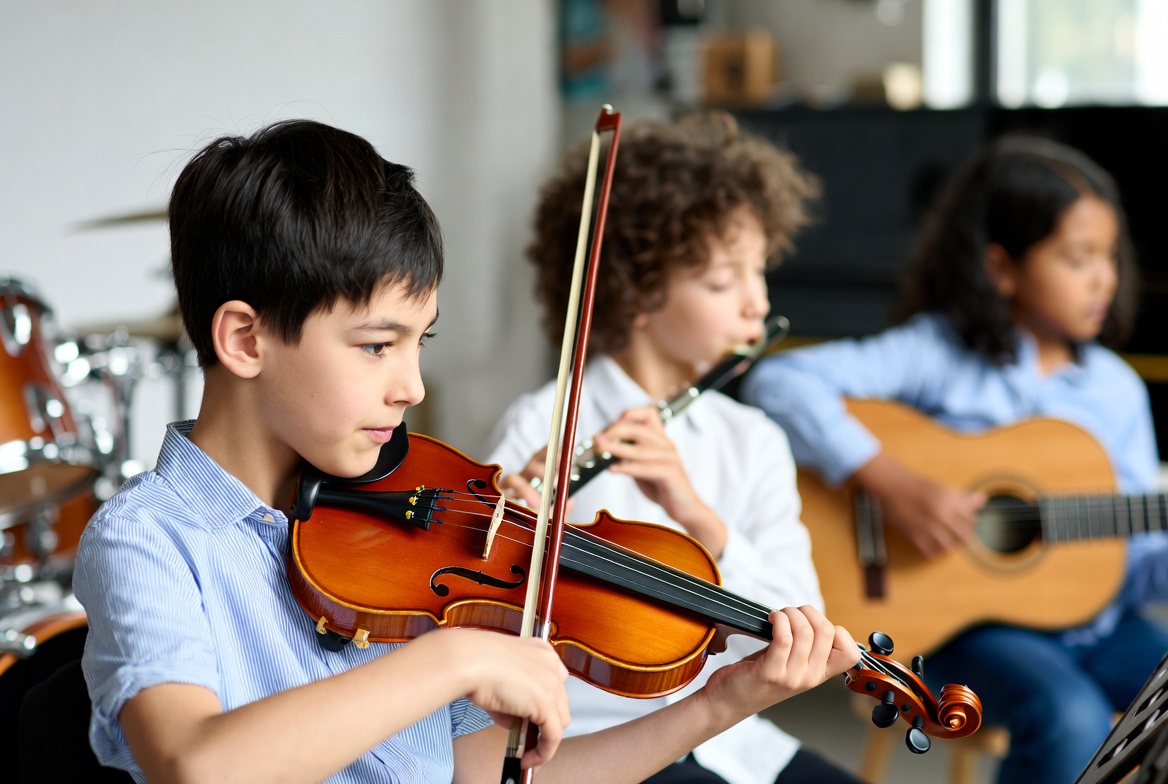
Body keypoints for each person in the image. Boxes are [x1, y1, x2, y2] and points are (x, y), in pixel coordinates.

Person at [71, 119, 859, 784]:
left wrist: (715, 706)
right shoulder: (147, 541)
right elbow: (195, 765)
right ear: (246, 339)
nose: (411, 385)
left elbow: (495, 776)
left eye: (420, 342)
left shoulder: (403, 542)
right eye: (378, 346)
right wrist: (448, 661)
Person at [742, 135, 1168, 784]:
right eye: (1078, 258)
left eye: (1110, 256)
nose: (1104, 277)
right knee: (1068, 716)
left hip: (1100, 627)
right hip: (967, 631)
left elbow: (1131, 563)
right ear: (1001, 268)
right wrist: (891, 482)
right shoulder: (939, 354)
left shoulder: (1117, 390)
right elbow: (782, 381)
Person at [486, 113, 865, 784]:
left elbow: (806, 631)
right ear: (636, 294)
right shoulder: (540, 425)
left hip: (736, 741)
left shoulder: (751, 440)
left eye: (759, 272)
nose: (759, 304)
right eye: (724, 283)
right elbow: (482, 632)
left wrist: (697, 517)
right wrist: (519, 544)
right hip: (593, 744)